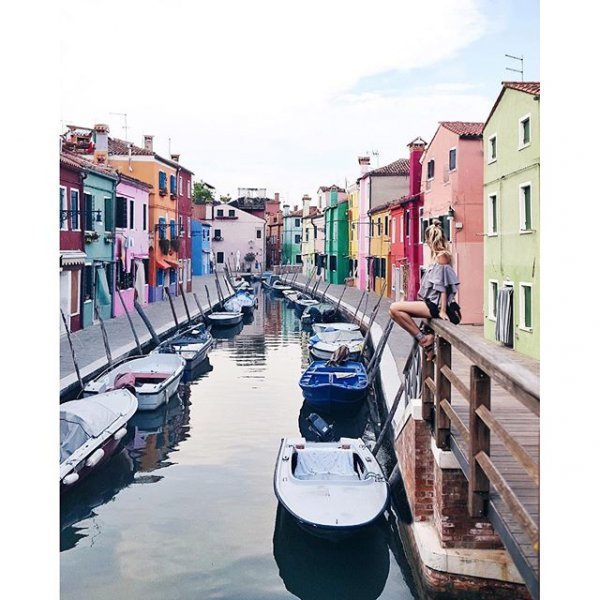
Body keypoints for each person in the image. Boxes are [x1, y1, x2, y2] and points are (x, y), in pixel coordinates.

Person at [389, 219, 460, 360]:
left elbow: (443, 287)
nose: (426, 243)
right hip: (431, 303)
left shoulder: (442, 257)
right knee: (393, 312)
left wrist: (443, 311)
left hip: (435, 306)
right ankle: (425, 341)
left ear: (430, 239)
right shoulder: (437, 257)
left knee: (394, 308)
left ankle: (423, 339)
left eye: (426, 239)